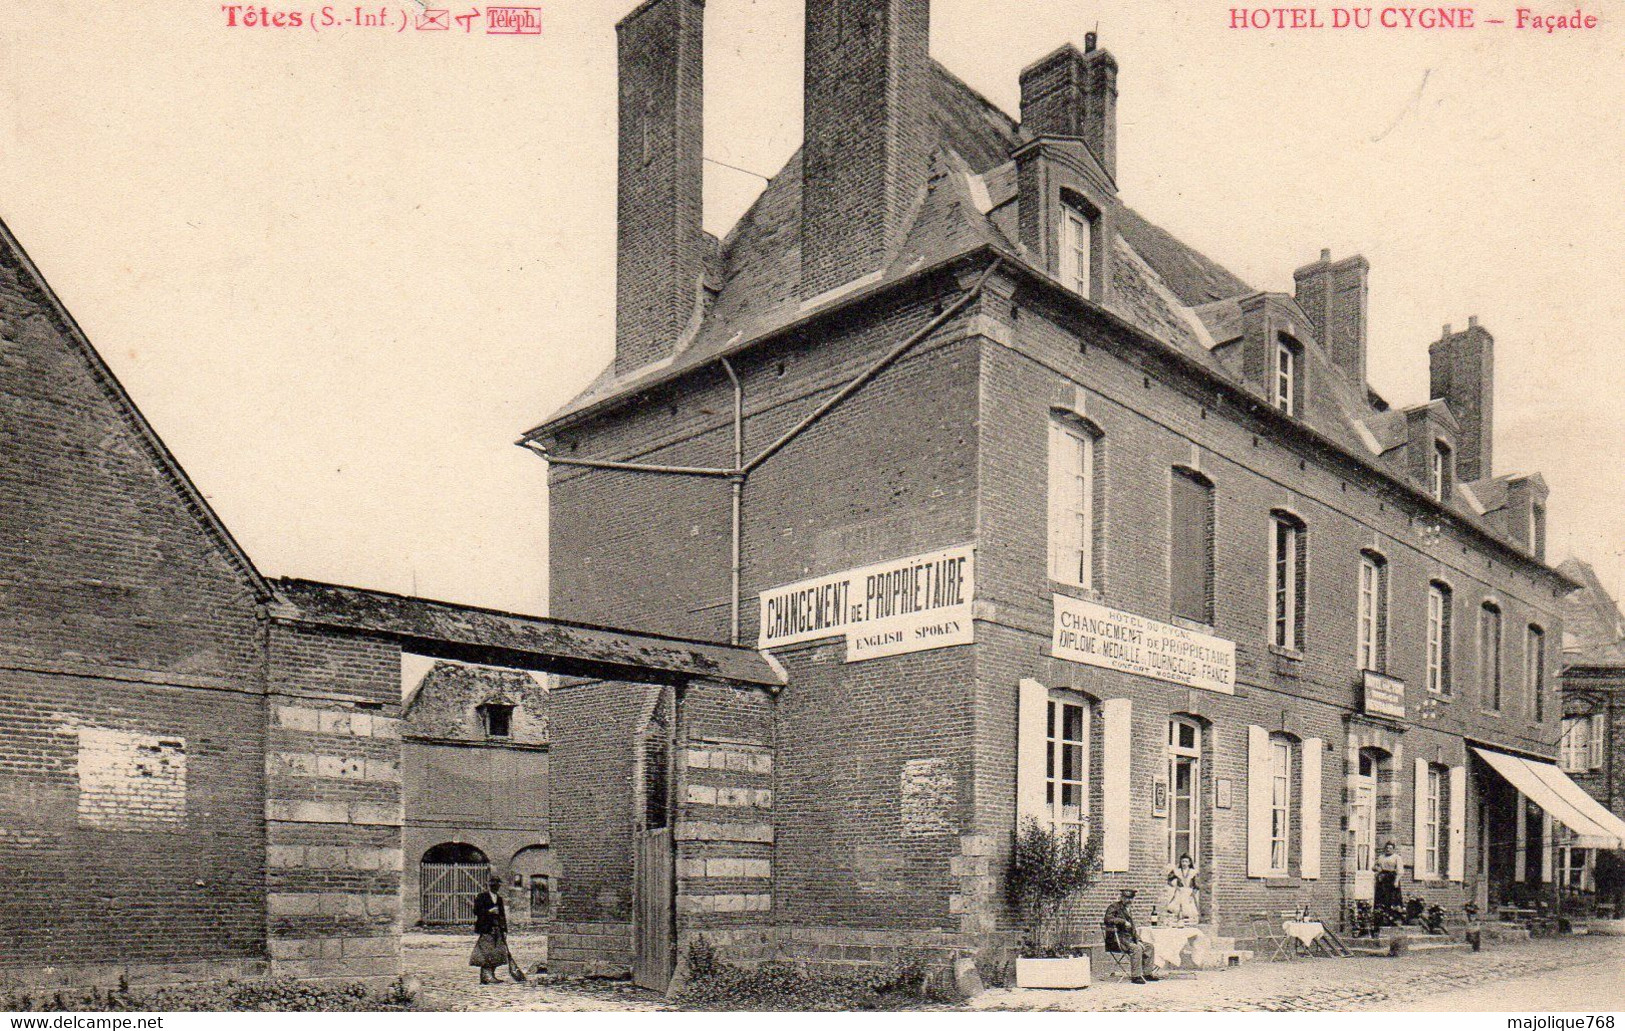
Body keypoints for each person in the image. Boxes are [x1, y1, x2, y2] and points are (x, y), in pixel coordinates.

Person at [1102, 888, 1160, 984]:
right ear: (1121, 897)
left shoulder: (1128, 909)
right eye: (1126, 898)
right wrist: (1123, 921)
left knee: (1149, 947)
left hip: (1129, 940)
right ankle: (1136, 976)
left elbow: (1132, 929)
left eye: (1131, 898)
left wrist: (1138, 940)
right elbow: (1107, 919)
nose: (1129, 900)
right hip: (1118, 940)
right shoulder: (1114, 906)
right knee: (1136, 948)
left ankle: (1147, 974)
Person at [470, 875, 511, 984]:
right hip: (486, 929)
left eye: (497, 885)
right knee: (486, 952)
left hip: (497, 929)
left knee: (497, 953)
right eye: (493, 885)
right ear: (490, 885)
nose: (496, 887)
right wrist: (489, 911)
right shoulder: (482, 897)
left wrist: (504, 929)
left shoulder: (499, 899)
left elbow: (502, 915)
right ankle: (485, 976)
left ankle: (491, 974)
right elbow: (476, 911)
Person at [1161, 854, 1201, 927]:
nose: (1184, 864)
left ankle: (1188, 924)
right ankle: (1177, 923)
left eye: (1186, 861)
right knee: (1177, 908)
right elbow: (1168, 879)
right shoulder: (1177, 871)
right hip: (1180, 892)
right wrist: (1175, 886)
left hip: (1189, 893)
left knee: (1189, 909)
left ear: (1189, 863)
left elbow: (1197, 885)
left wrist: (1193, 893)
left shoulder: (1193, 872)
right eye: (1182, 861)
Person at [1373, 841, 1403, 936]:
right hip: (1382, 879)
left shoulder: (1396, 857)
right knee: (1381, 897)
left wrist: (1396, 881)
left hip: (1391, 878)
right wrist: (1377, 869)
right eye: (1387, 847)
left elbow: (1400, 870)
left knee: (1392, 898)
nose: (1388, 849)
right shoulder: (1381, 857)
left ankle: (1393, 917)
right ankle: (1381, 917)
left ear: (1393, 849)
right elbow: (1374, 867)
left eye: (1390, 848)